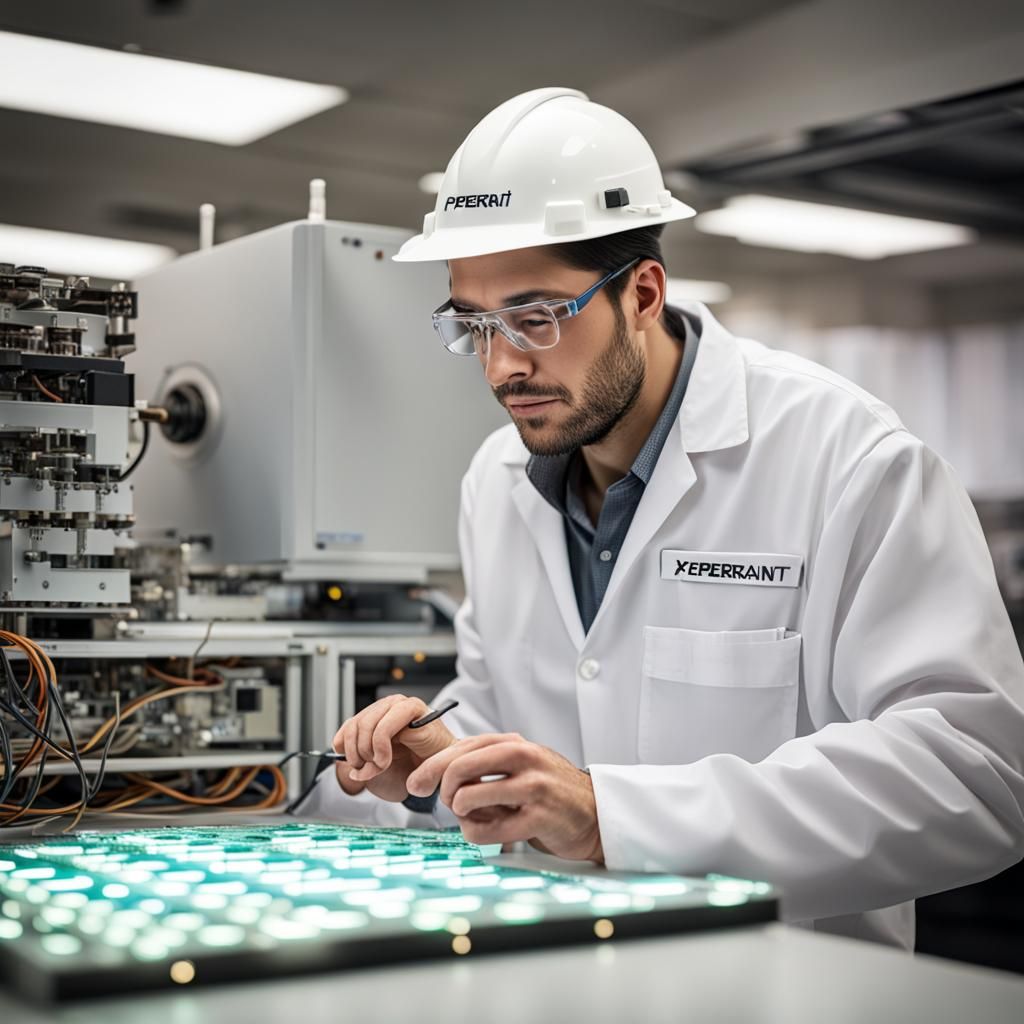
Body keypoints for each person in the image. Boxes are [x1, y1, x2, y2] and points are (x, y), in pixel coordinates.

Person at [300, 87, 1024, 949]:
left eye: (533, 319)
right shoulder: (495, 480)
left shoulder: (847, 458)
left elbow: (976, 775)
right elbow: (505, 717)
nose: (501, 367)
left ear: (642, 293)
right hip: (552, 979)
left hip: (786, 992)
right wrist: (434, 760)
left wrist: (614, 817)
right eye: (475, 325)